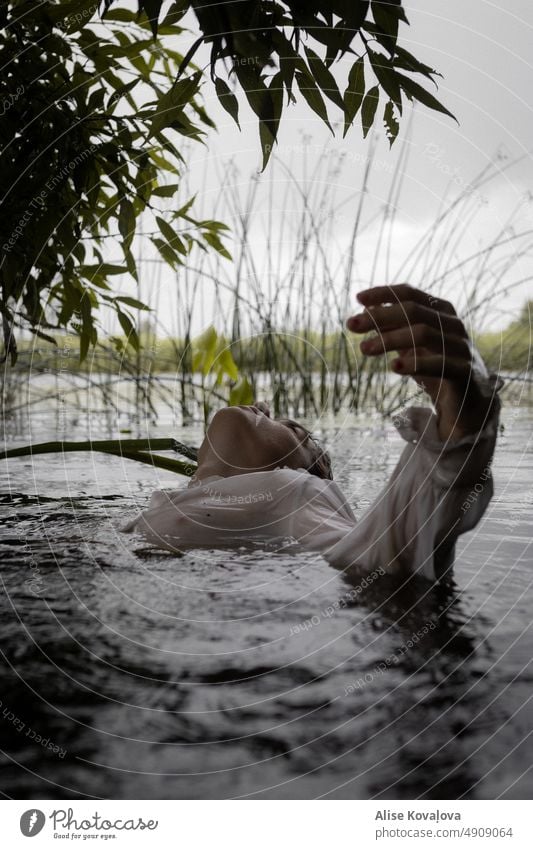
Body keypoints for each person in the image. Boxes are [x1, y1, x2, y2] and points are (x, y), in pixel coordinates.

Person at [122, 285, 503, 583]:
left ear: (311, 467)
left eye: (291, 428)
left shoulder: (296, 490)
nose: (265, 407)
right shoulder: (159, 505)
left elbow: (376, 553)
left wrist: (463, 426)